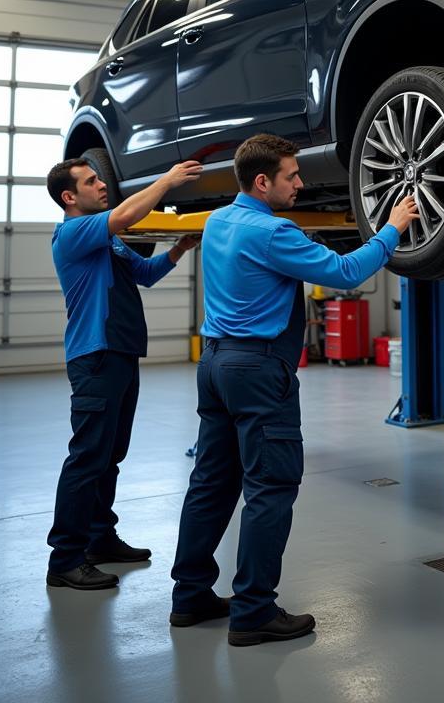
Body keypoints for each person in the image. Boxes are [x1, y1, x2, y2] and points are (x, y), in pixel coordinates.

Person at [170, 133, 419, 647]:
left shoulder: (217, 221)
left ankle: (190, 596)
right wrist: (392, 229)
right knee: (270, 487)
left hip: (214, 363)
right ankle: (254, 611)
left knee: (211, 484)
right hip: (258, 372)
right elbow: (348, 272)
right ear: (262, 182)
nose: (301, 184)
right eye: (292, 176)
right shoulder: (272, 232)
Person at [45, 157, 203, 590]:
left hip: (120, 354)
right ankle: (64, 559)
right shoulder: (74, 232)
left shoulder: (108, 242)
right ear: (69, 197)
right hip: (95, 357)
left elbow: (145, 274)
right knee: (87, 457)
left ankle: (100, 539)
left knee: (110, 455)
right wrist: (167, 180)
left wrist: (177, 250)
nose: (101, 185)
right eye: (91, 181)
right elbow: (128, 215)